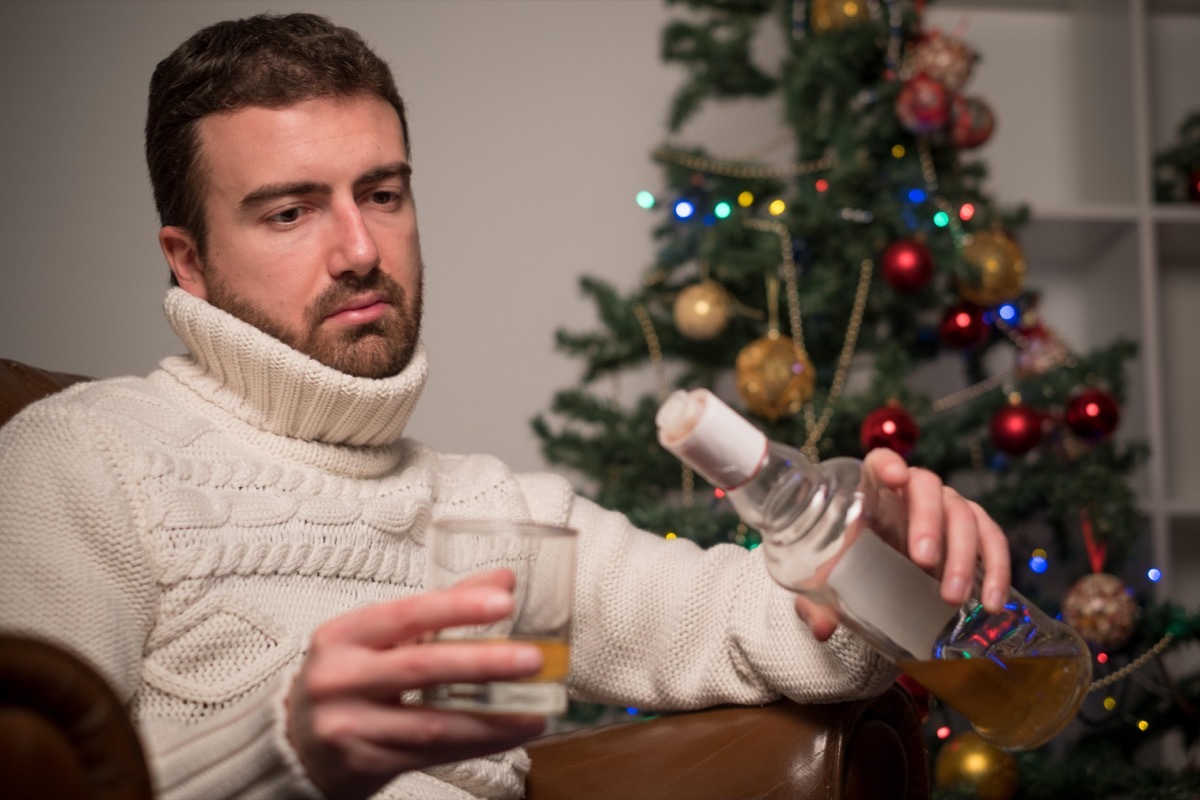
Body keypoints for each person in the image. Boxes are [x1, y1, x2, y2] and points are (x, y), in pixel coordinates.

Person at [0, 12, 1011, 800]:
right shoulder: (86, 458)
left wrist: (870, 563)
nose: (358, 248)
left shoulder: (489, 508)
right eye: (291, 209)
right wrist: (284, 748)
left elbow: (740, 622)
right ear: (191, 261)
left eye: (383, 192)